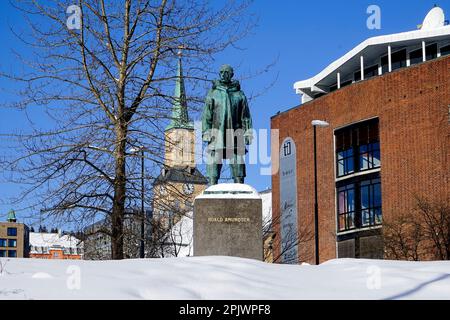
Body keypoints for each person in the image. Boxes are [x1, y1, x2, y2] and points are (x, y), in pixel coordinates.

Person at [202, 65, 253, 185]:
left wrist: (248, 132)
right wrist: (206, 131)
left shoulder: (239, 94)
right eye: (222, 72)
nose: (224, 74)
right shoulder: (213, 94)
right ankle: (212, 185)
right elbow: (207, 115)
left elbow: (245, 116)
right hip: (217, 133)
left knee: (237, 160)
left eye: (227, 72)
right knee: (214, 159)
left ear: (231, 75)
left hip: (235, 133)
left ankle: (240, 185)